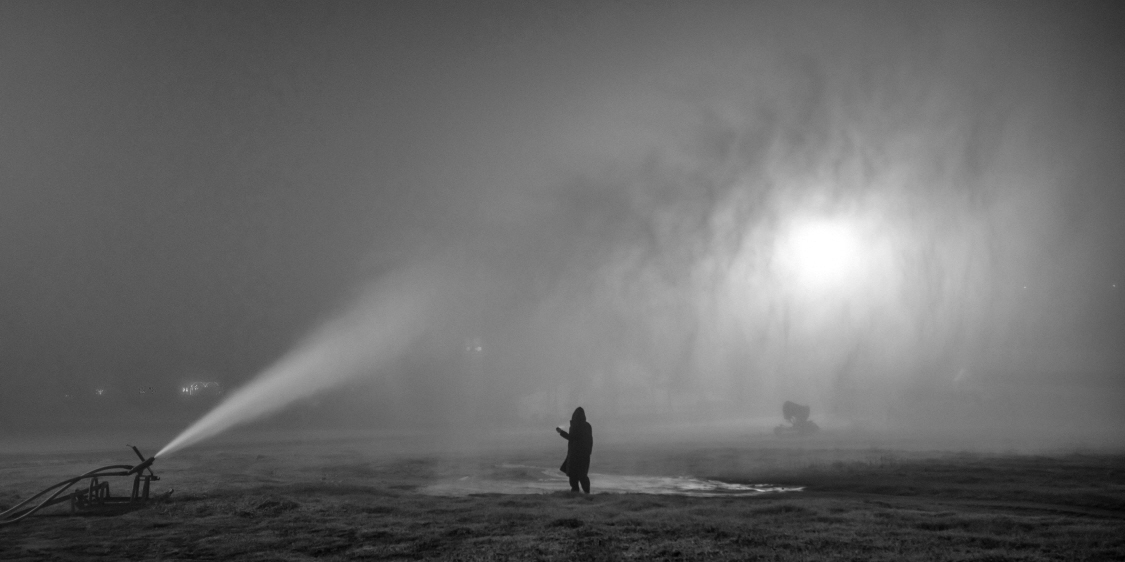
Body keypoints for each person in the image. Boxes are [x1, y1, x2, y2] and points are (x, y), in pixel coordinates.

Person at [556, 406, 593, 493]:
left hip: (574, 455)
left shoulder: (575, 426)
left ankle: (575, 493)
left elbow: (572, 437)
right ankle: (587, 493)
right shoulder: (587, 426)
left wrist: (561, 432)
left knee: (573, 476)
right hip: (585, 455)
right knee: (583, 476)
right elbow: (589, 440)